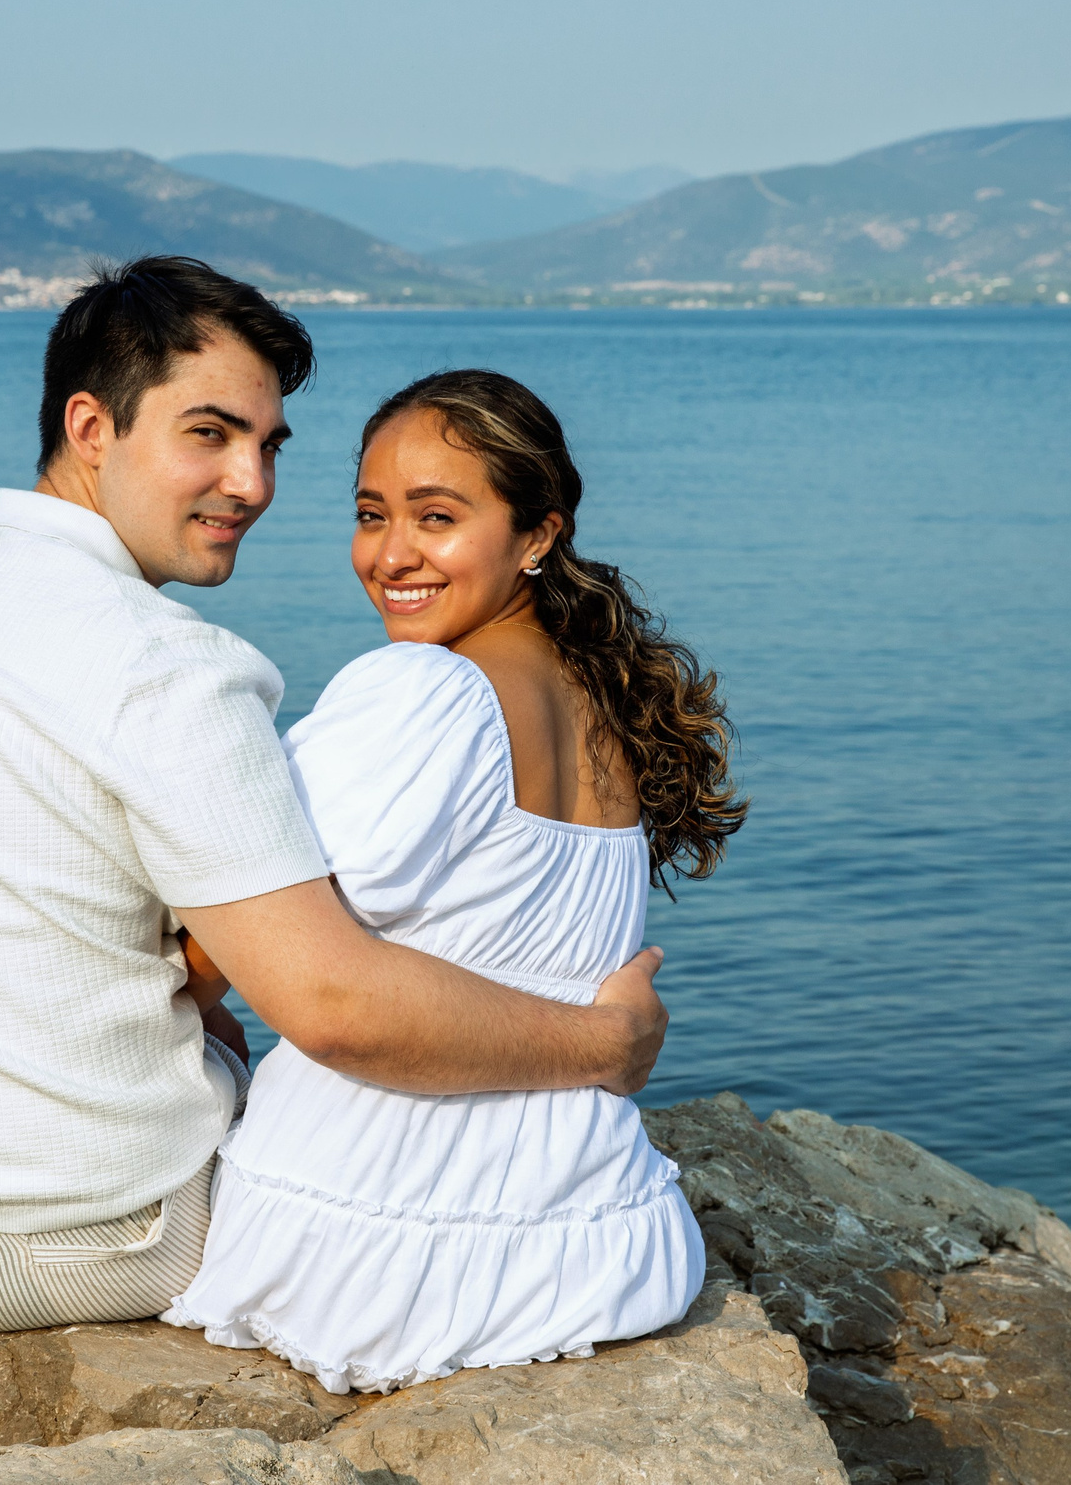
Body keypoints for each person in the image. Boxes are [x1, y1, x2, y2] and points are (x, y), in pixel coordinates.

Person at [0, 259, 671, 1330]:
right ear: (90, 427)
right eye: (208, 435)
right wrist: (602, 1045)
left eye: (267, 446)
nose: (253, 484)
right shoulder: (172, 668)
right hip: (70, 1246)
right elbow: (334, 1006)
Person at [163, 368, 745, 1392]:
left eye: (437, 517)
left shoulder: (422, 691)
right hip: (597, 1244)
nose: (391, 554)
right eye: (370, 515)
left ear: (536, 535)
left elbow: (224, 943)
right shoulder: (600, 698)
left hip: (371, 1251)